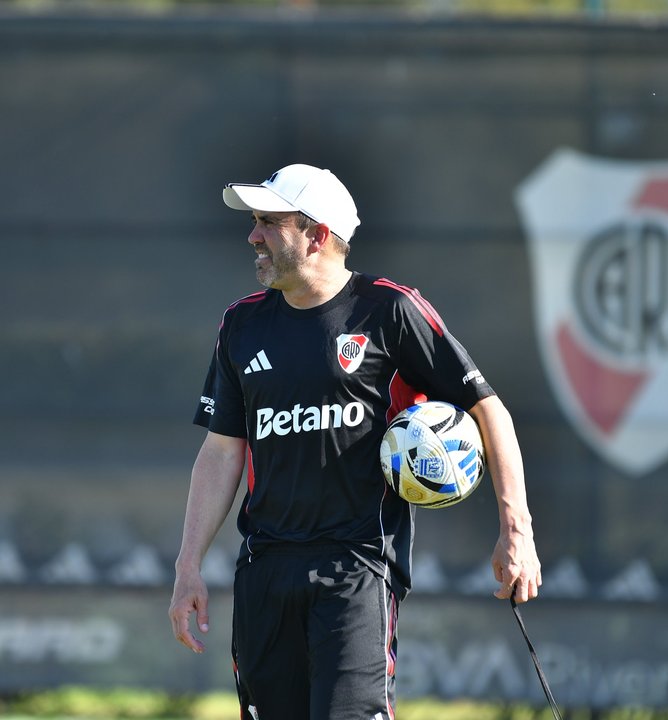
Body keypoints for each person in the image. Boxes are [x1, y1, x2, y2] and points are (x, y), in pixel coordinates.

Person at [168, 163, 541, 720]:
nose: (252, 236)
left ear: (317, 235)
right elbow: (222, 450)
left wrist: (517, 531)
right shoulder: (240, 325)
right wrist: (188, 566)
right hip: (264, 574)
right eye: (254, 223)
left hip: (357, 569)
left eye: (269, 222)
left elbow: (491, 411)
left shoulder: (389, 310)